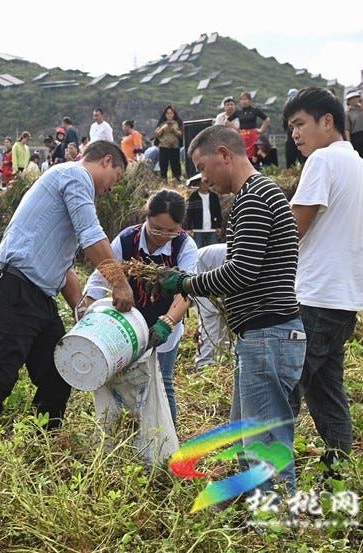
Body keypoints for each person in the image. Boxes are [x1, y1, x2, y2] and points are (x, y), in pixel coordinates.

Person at [158, 124, 304, 494]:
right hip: (263, 336)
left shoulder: (253, 197)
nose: (202, 176)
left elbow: (241, 272)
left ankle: (276, 523)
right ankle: (258, 517)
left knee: (264, 443)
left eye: (203, 166)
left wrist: (187, 284)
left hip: (268, 334)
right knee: (247, 436)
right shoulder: (257, 194)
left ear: (225, 154)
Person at [0, 140, 134, 448]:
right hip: (13, 289)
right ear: (106, 161)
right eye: (117, 178)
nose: (112, 188)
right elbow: (92, 236)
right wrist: (119, 283)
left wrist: (81, 309)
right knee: (1, 375)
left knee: (57, 376)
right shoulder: (74, 175)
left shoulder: (68, 185)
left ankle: (42, 448)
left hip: (38, 297)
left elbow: (64, 267)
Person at [284, 88, 363, 481]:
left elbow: (292, 229)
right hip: (344, 299)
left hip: (316, 297)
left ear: (327, 121)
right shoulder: (357, 164)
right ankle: (337, 474)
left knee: (283, 389)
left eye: (300, 124)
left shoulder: (322, 160)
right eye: (290, 128)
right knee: (326, 392)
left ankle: (269, 484)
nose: (295, 135)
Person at [84, 189, 197, 426]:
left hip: (164, 326)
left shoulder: (184, 245)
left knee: (161, 383)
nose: (162, 236)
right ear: (146, 216)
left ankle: (166, 443)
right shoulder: (127, 240)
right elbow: (99, 279)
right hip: (127, 327)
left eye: (170, 231)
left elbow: (187, 292)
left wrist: (166, 323)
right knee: (123, 382)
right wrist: (88, 319)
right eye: (156, 228)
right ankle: (127, 434)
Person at [193, 243, 230, 370]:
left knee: (225, 319)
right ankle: (204, 364)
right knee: (211, 318)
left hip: (216, 276)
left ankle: (225, 361)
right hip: (201, 272)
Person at [183, 173, 223, 248]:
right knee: (197, 250)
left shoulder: (214, 197)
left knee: (213, 249)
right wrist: (188, 228)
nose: (204, 185)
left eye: (206, 183)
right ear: (199, 184)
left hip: (212, 228)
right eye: (202, 183)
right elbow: (189, 213)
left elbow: (218, 213)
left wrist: (219, 226)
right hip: (198, 229)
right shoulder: (194, 196)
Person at [228, 92, 271, 159]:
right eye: (241, 99)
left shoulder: (255, 110)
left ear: (250, 100)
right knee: (243, 155)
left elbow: (267, 119)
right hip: (242, 136)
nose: (243, 101)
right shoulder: (238, 112)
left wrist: (261, 130)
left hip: (253, 135)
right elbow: (227, 121)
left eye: (245, 99)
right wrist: (237, 129)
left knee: (256, 155)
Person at [155, 106, 184, 181]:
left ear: (174, 114)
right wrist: (163, 128)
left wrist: (174, 130)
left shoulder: (178, 123)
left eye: (171, 113)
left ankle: (177, 181)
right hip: (163, 147)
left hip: (174, 147)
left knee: (176, 166)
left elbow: (181, 135)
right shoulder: (162, 124)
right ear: (165, 114)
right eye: (167, 113)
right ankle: (163, 181)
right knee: (163, 166)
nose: (169, 115)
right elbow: (157, 135)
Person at [344, 92, 363, 160]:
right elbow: (347, 128)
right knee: (359, 155)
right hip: (356, 135)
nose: (355, 100)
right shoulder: (348, 112)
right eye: (353, 98)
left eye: (356, 98)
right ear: (349, 101)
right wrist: (349, 141)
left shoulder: (361, 109)